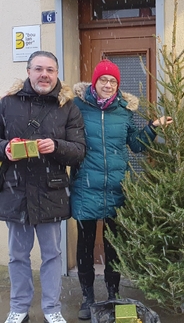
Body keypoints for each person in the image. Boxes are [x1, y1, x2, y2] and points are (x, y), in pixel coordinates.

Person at [70, 59, 172, 320]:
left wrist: (152, 128)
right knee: (85, 247)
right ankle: (88, 298)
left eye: (113, 81)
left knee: (113, 246)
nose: (107, 84)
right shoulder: (77, 107)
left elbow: (136, 145)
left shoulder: (124, 110)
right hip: (86, 187)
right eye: (103, 80)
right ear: (94, 82)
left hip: (117, 188)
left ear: (118, 85)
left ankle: (113, 295)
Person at [0, 51, 86, 323]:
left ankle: (52, 309)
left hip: (51, 192)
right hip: (16, 191)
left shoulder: (68, 107)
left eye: (50, 70)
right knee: (17, 257)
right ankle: (19, 308)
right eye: (38, 69)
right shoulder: (7, 103)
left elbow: (80, 151)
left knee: (52, 256)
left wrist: (57, 146)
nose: (44, 75)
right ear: (28, 72)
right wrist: (5, 149)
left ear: (57, 73)